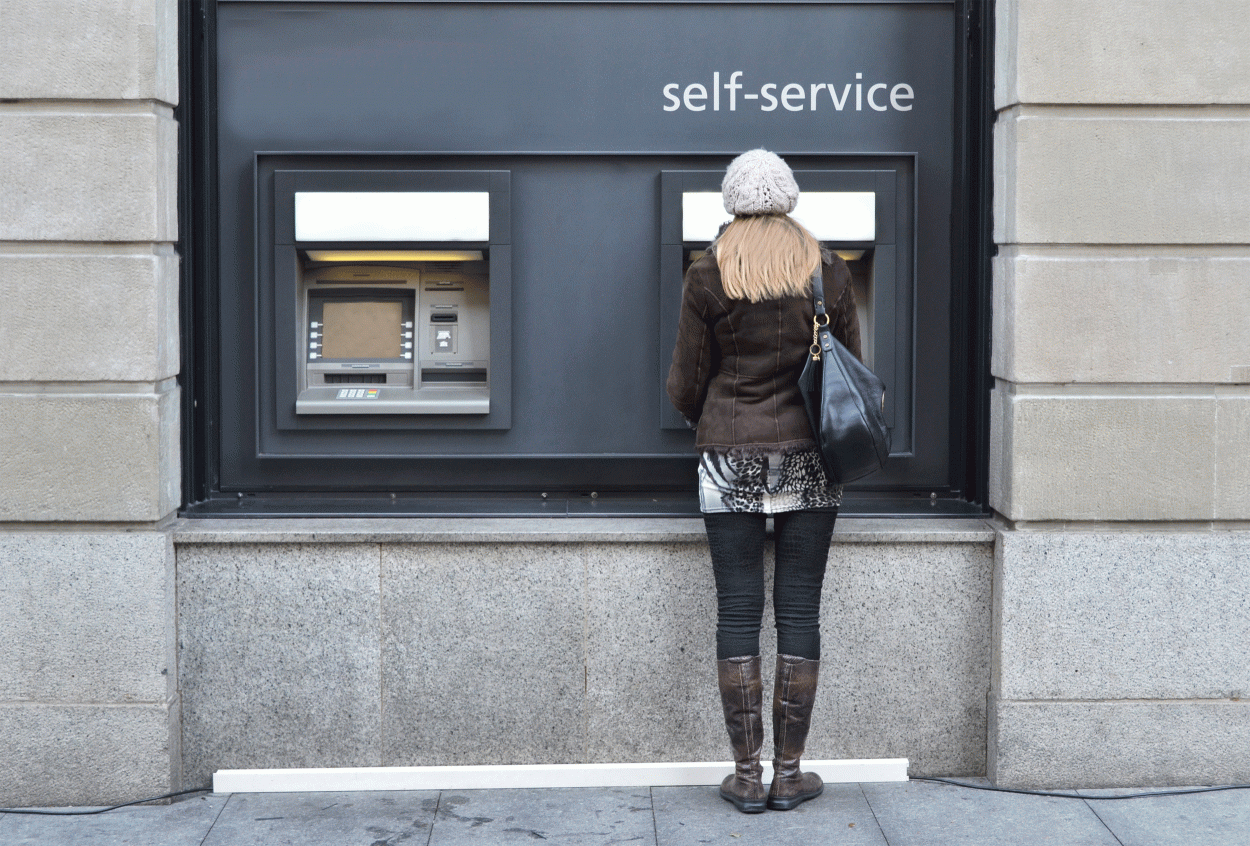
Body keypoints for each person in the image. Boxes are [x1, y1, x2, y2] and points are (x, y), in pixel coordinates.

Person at [666, 149, 861, 814]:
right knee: (799, 610)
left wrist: (714, 417)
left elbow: (685, 383)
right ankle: (791, 774)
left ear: (732, 200)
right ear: (789, 198)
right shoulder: (826, 267)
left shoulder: (709, 271)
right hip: (811, 454)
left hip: (729, 455)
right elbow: (851, 369)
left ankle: (747, 777)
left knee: (738, 610)